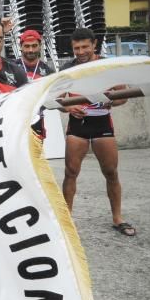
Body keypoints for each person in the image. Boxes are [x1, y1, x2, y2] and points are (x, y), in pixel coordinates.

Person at [60, 28, 134, 237]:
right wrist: (68, 107)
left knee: (111, 172)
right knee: (70, 173)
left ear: (94, 45)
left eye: (85, 46)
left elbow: (124, 96)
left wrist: (112, 100)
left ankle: (117, 218)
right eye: (76, 48)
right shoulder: (67, 68)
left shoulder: (107, 67)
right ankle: (67, 220)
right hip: (78, 125)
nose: (81, 51)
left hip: (102, 123)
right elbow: (57, 98)